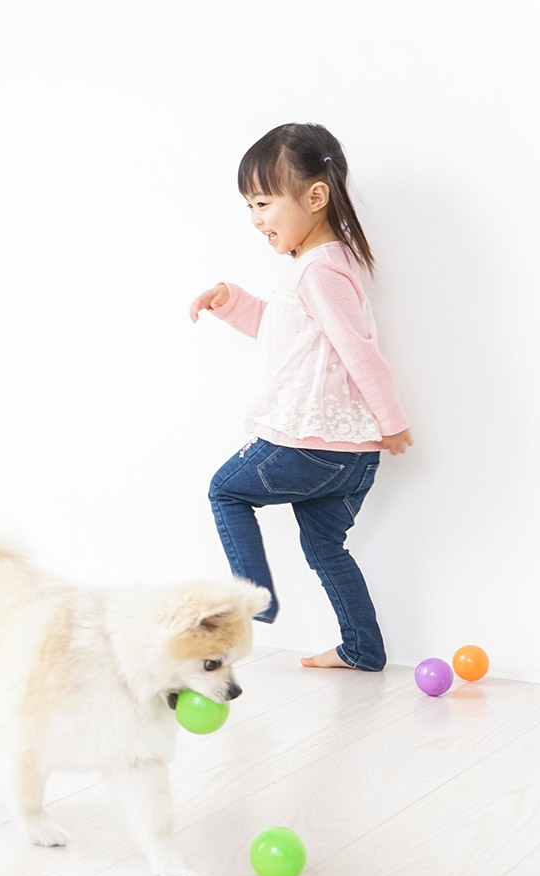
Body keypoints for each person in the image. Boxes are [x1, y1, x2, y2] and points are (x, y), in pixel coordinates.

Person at [189, 122, 412, 672]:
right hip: (351, 458)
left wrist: (393, 420)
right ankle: (362, 648)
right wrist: (232, 302)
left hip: (309, 446)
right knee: (326, 549)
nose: (256, 219)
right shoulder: (325, 266)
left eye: (264, 203)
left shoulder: (318, 271)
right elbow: (288, 334)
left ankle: (253, 602)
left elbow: (358, 349)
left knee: (225, 491)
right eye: (249, 206)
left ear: (315, 197)